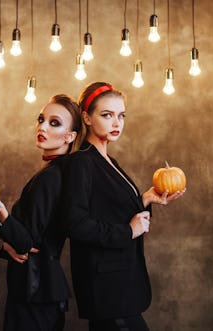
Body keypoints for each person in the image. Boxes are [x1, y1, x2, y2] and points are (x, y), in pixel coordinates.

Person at [61, 82, 186, 331]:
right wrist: (127, 231)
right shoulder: (81, 162)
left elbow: (108, 212)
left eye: (121, 115)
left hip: (122, 283)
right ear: (86, 117)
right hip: (107, 287)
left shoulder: (109, 160)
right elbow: (75, 224)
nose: (116, 123)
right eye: (107, 115)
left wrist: (145, 200)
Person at [0, 94, 81, 331]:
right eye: (41, 119)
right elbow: (25, 239)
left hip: (37, 288)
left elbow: (27, 242)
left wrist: (0, 210)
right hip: (38, 288)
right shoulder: (53, 172)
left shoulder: (51, 177)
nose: (42, 126)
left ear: (70, 136)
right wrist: (9, 244)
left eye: (54, 123)